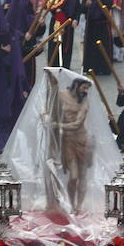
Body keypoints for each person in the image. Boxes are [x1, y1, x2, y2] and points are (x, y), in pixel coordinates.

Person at [47, 75, 92, 212]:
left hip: (83, 141)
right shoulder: (61, 95)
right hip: (68, 141)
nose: (85, 91)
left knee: (82, 175)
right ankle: (72, 205)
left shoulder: (84, 101)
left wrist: (57, 125)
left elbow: (78, 124)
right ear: (76, 85)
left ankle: (79, 206)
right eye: (84, 87)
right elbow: (52, 105)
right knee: (73, 177)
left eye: (87, 89)